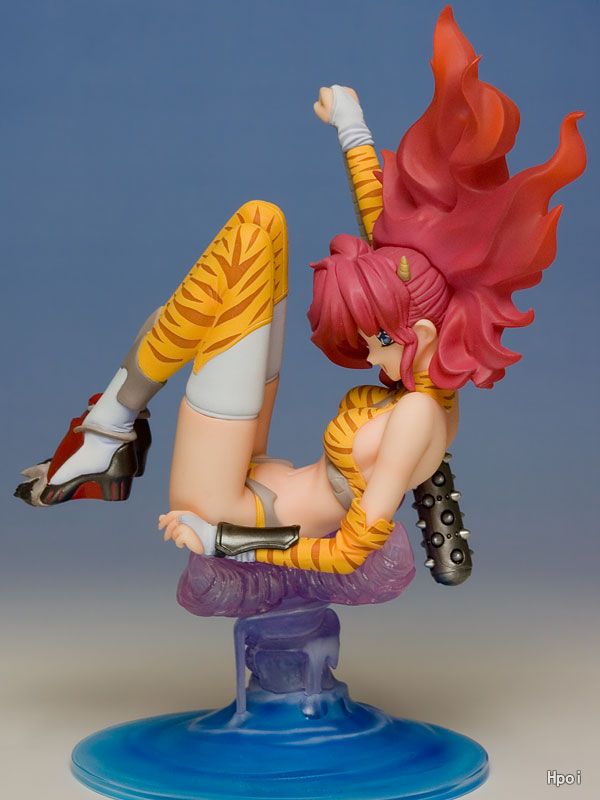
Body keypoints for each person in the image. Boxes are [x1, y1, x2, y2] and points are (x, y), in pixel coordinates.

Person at [16, 8, 585, 583]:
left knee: (245, 242)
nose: (368, 353)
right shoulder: (430, 366)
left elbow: (349, 551)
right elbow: (386, 239)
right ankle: (109, 429)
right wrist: (351, 126)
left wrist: (219, 539)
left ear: (420, 333)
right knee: (262, 225)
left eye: (377, 339)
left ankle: (108, 430)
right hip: (256, 471)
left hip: (230, 506)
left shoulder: (417, 414)